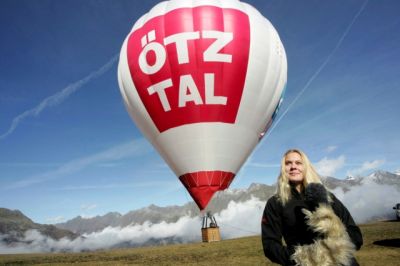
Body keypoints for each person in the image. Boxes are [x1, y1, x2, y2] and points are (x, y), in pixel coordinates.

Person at [261, 149, 363, 266]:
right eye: (288, 163)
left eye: (298, 163)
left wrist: (334, 249)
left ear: (306, 167)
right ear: (283, 169)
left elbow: (356, 235)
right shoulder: (275, 203)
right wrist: (306, 258)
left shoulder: (327, 196)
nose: (293, 166)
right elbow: (270, 246)